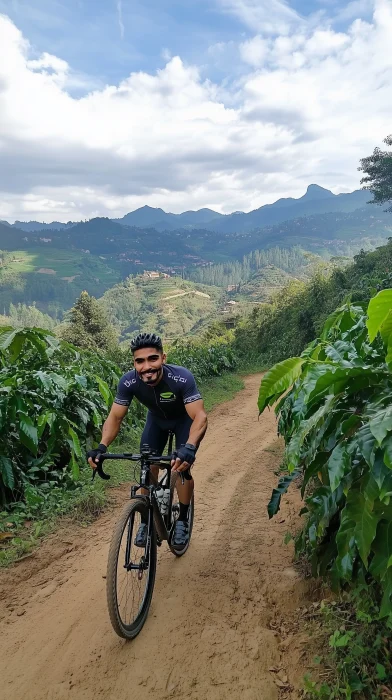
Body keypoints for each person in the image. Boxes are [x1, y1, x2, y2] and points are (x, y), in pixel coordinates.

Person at [87, 332, 208, 548]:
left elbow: (200, 416)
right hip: (157, 422)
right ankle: (145, 520)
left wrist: (189, 447)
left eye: (152, 358)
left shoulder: (182, 378)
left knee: (181, 468)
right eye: (140, 361)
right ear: (134, 363)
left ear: (163, 358)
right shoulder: (129, 381)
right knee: (147, 466)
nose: (146, 367)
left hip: (184, 422)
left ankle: (182, 520)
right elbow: (115, 417)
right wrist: (102, 446)